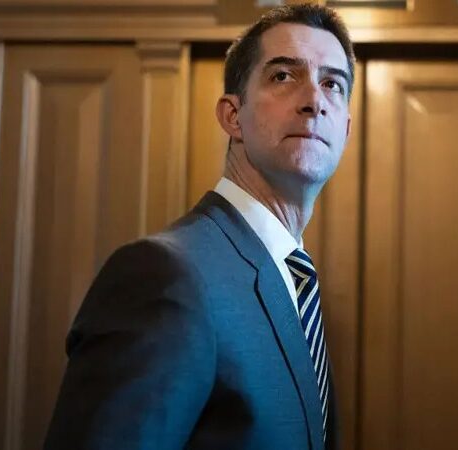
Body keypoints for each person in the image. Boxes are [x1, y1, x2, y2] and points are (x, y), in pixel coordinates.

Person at [43, 4, 354, 450]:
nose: (314, 101)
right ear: (232, 116)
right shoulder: (163, 274)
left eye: (332, 84)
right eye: (284, 76)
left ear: (346, 129)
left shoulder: (294, 280)